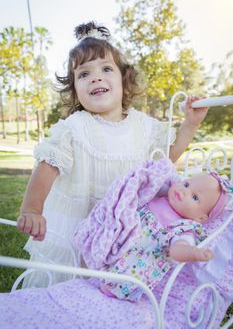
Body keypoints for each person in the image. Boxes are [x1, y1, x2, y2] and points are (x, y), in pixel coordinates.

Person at [17, 21, 208, 288]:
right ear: (75, 89)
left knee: (113, 287)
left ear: (123, 80)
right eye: (84, 74)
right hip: (80, 226)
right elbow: (47, 166)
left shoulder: (144, 125)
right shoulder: (75, 128)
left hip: (125, 225)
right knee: (73, 286)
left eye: (106, 69)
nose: (96, 77)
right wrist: (33, 209)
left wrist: (190, 124)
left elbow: (167, 156)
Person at [80, 167, 228, 301]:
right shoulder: (160, 195)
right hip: (122, 241)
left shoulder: (183, 228)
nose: (184, 191)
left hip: (137, 262)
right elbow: (146, 184)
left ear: (200, 218)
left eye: (195, 197)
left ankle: (111, 290)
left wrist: (192, 253)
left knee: (120, 281)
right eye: (187, 184)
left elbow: (177, 249)